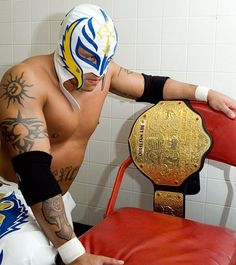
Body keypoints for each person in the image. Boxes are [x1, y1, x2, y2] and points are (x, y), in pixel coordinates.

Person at [0, 3, 235, 265]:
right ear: (65, 44)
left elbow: (151, 86)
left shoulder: (103, 73)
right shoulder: (24, 81)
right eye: (88, 58)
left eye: (106, 59)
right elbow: (33, 173)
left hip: (55, 196)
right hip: (12, 192)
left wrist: (206, 93)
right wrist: (75, 255)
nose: (97, 73)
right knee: (28, 256)